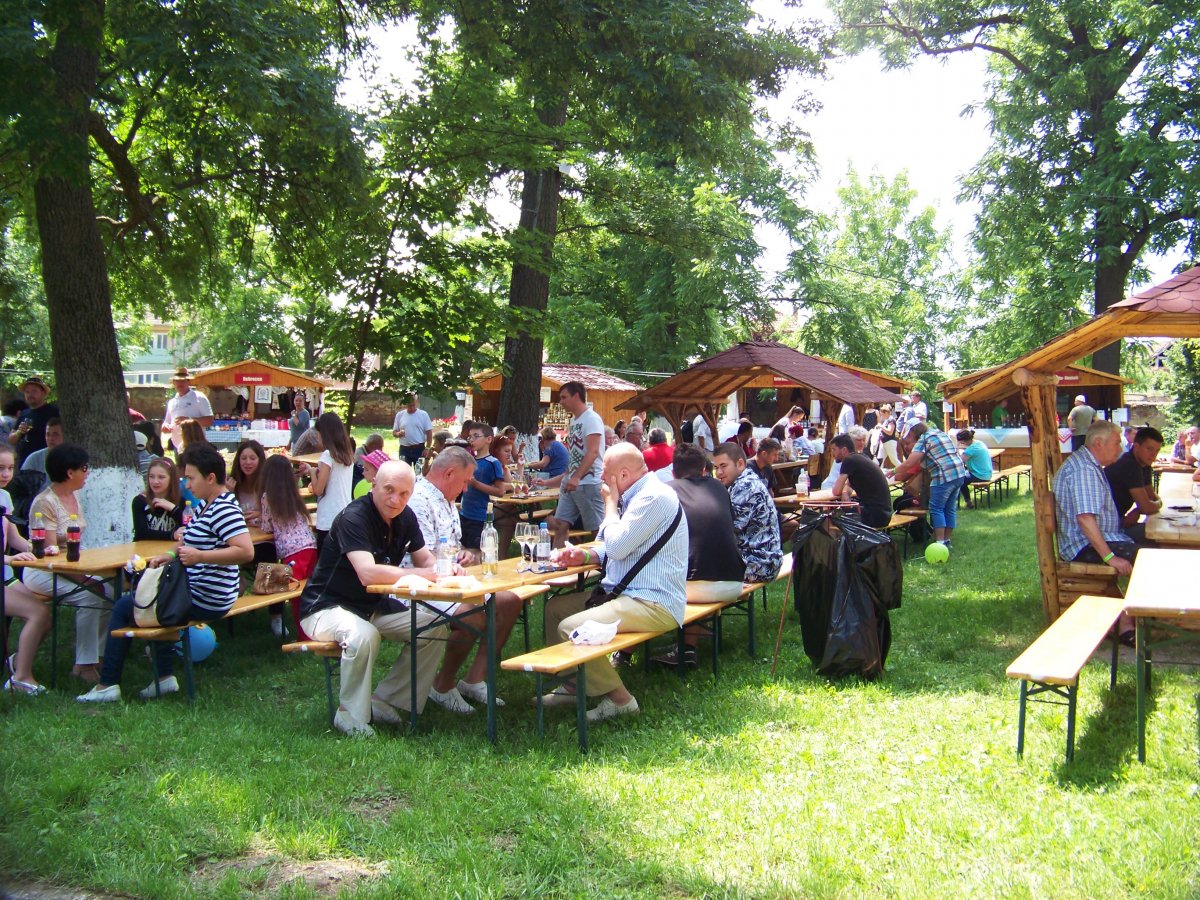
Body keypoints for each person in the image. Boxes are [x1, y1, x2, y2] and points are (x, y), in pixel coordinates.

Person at [79, 444, 255, 702]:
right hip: (195, 591)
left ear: (210, 478)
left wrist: (201, 557)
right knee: (153, 602)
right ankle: (163, 679)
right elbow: (186, 539)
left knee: (126, 606)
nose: (187, 484)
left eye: (191, 478)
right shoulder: (207, 505)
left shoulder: (224, 509)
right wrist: (169, 555)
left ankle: (108, 684)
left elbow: (245, 551)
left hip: (207, 597)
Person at [299, 460, 454, 736]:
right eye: (389, 490)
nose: (396, 500)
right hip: (325, 607)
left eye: (404, 494)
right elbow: (368, 573)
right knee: (363, 635)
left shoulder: (405, 517)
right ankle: (350, 715)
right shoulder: (353, 517)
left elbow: (424, 558)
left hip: (372, 606)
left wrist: (446, 568)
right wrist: (424, 573)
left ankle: (386, 700)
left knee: (434, 627)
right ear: (374, 485)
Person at [543, 444, 688, 722]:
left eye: (605, 473)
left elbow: (618, 545)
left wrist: (609, 506)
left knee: (571, 627)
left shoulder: (653, 497)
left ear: (623, 475)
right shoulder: (636, 494)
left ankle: (621, 700)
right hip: (627, 595)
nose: (600, 479)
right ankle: (574, 685)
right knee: (555, 609)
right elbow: (613, 544)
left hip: (654, 602)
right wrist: (585, 555)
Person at [406, 446, 526, 712]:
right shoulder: (419, 500)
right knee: (472, 615)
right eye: (465, 481)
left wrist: (465, 555)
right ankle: (442, 685)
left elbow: (452, 546)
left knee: (510, 601)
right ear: (449, 473)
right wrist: (453, 562)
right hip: (419, 585)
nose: (466, 488)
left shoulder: (447, 499)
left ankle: (474, 679)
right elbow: (422, 557)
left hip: (449, 580)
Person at [648, 443, 746, 668]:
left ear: (673, 472)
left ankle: (623, 654)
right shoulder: (719, 488)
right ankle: (688, 648)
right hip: (734, 582)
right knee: (699, 566)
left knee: (646, 580)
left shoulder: (666, 491)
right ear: (704, 470)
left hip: (694, 587)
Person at [23, 444, 113, 683]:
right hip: (43, 570)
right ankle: (83, 665)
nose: (87, 473)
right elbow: (51, 554)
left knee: (110, 590)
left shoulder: (73, 496)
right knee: (90, 596)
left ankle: (98, 654)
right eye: (84, 468)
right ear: (69, 472)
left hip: (71, 566)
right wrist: (83, 579)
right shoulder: (45, 503)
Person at [0, 444, 52, 694]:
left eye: (10, 468)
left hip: (6, 576)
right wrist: (9, 559)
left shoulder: (5, 497)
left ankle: (17, 663)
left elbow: (13, 538)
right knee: (37, 613)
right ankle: (21, 678)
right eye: (0, 468)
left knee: (46, 617)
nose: (6, 474)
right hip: (5, 571)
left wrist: (37, 548)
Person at [712, 442, 782, 584]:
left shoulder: (745, 486)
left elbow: (727, 529)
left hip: (760, 564)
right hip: (764, 559)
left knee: (699, 568)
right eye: (716, 467)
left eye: (723, 466)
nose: (719, 473)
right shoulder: (744, 481)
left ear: (740, 464)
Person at [891, 423, 968, 551]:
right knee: (949, 509)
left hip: (943, 476)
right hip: (959, 474)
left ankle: (940, 543)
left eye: (909, 436)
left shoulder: (923, 440)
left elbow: (910, 463)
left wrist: (892, 471)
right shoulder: (939, 433)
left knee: (936, 509)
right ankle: (947, 541)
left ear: (914, 433)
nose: (908, 438)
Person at [547, 381, 605, 547]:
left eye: (564, 397)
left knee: (597, 530)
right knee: (560, 525)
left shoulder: (591, 419)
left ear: (577, 396)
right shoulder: (574, 421)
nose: (561, 402)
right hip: (571, 481)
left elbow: (593, 451)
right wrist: (568, 474)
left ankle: (606, 561)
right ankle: (558, 560)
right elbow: (575, 452)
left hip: (587, 482)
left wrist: (577, 476)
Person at [1104, 426, 1164, 544]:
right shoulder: (1130, 465)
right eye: (1149, 449)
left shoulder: (1144, 464)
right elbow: (1146, 507)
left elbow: (1151, 497)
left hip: (1119, 522)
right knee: (1158, 534)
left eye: (1157, 451)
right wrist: (1158, 503)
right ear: (1136, 446)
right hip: (1108, 529)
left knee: (1157, 530)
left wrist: (1138, 510)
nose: (1153, 455)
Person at [309, 412, 354, 550]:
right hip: (344, 513)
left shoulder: (327, 455)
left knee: (325, 558)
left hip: (328, 517)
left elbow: (318, 490)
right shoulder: (347, 454)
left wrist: (312, 472)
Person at [829, 434, 893, 529]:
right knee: (838, 513)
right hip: (884, 514)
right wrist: (845, 493)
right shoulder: (860, 457)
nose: (832, 453)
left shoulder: (849, 460)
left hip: (874, 516)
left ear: (844, 450)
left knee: (829, 517)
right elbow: (848, 486)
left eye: (834, 449)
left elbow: (836, 491)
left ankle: (840, 539)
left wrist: (843, 492)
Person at [9, 376, 60, 465]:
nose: (30, 395)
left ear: (43, 393)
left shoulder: (54, 412)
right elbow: (11, 440)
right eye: (27, 392)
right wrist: (19, 432)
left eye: (34, 391)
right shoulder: (24, 413)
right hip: (24, 462)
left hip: (46, 461)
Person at [161, 367, 214, 454]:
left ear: (188, 382)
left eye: (183, 381)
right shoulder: (172, 402)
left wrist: (189, 420)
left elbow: (209, 420)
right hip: (177, 446)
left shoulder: (199, 397)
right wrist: (165, 426)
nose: (180, 383)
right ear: (173, 383)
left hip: (196, 445)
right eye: (177, 381)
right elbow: (167, 421)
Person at [131, 457, 183, 541]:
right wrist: (172, 535)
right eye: (151, 476)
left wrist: (173, 509)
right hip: (145, 548)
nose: (155, 481)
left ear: (171, 479)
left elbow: (188, 526)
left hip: (171, 548)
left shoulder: (181, 501)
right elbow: (141, 533)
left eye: (161, 477)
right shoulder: (140, 501)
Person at [228, 440, 267, 529]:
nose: (248, 462)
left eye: (252, 458)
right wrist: (228, 495)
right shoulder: (230, 485)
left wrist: (261, 514)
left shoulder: (267, 485)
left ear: (260, 460)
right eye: (243, 458)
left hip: (262, 535)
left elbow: (278, 514)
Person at [392, 394, 433, 467]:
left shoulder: (423, 414)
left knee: (419, 471)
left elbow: (429, 433)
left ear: (416, 402)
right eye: (409, 405)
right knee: (404, 471)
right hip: (404, 449)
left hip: (419, 449)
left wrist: (427, 448)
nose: (411, 407)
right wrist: (398, 434)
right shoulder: (400, 415)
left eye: (413, 405)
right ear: (406, 404)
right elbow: (394, 432)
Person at [957, 429, 994, 509]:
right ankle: (967, 501)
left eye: (962, 443)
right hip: (987, 473)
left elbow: (958, 462)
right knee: (962, 478)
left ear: (965, 441)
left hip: (980, 475)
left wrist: (957, 448)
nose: (962, 444)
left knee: (959, 479)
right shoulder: (979, 443)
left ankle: (967, 502)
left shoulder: (971, 449)